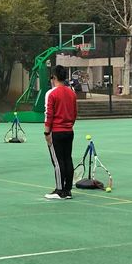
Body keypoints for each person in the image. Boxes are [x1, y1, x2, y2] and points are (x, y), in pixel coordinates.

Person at [44, 65, 78, 200]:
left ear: (54, 77)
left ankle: (59, 190)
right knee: (68, 159)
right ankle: (67, 190)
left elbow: (49, 114)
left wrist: (47, 133)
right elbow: (74, 113)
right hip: (69, 131)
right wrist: (69, 125)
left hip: (56, 131)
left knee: (58, 161)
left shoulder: (51, 93)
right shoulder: (72, 93)